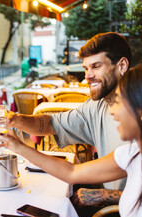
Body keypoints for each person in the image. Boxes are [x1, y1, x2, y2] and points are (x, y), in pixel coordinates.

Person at [4, 63, 142, 217]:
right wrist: (19, 147)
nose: (111, 111)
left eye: (117, 102)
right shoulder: (136, 152)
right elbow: (72, 172)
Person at [8, 32, 131, 205]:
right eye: (86, 68)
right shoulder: (97, 106)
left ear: (122, 65)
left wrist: (103, 195)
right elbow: (51, 124)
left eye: (96, 66)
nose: (87, 76)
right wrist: (14, 119)